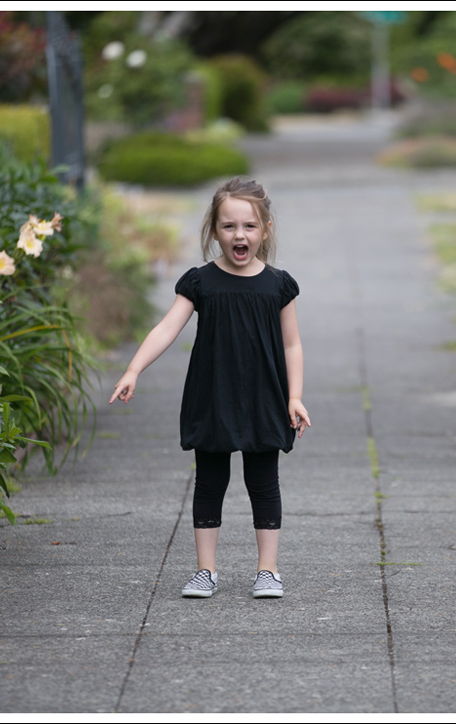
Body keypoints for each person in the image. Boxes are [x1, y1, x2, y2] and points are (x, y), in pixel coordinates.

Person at [109, 177, 310, 600]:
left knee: (264, 482)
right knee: (209, 482)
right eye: (229, 226)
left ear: (265, 229)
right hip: (212, 396)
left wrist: (294, 396)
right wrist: (134, 369)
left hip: (263, 398)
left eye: (249, 226)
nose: (240, 235)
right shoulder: (200, 282)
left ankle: (268, 571)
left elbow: (292, 344)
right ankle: (206, 571)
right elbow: (167, 327)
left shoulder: (278, 285)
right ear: (214, 230)